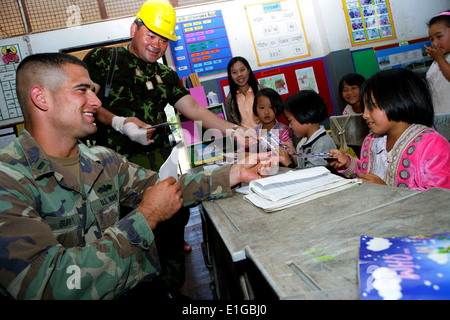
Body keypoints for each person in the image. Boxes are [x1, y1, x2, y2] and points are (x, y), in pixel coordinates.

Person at [0, 52, 279, 300]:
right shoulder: (8, 181)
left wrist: (234, 173)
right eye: (82, 90)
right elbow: (45, 284)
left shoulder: (103, 160)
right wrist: (145, 218)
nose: (96, 101)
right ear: (41, 98)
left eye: (94, 90)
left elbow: (166, 188)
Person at [83, 0, 248, 296]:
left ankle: (173, 291)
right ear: (134, 29)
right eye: (151, 35)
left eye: (164, 39)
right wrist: (119, 122)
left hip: (159, 170)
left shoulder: (166, 76)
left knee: (171, 235)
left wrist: (237, 131)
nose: (157, 45)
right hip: (113, 175)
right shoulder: (103, 61)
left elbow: (196, 111)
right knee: (128, 241)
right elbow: (85, 104)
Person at [328, 68, 450, 191]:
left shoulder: (432, 145)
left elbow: (439, 198)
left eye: (371, 107)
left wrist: (388, 191)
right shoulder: (372, 141)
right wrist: (348, 163)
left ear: (399, 102)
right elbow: (368, 174)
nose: (364, 115)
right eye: (365, 107)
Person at [278, 90, 336, 169]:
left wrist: (289, 163)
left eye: (290, 121)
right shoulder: (303, 141)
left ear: (304, 116)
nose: (290, 126)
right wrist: (294, 154)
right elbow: (302, 165)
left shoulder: (322, 144)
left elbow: (312, 175)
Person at [425, 10, 450, 114]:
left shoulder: (440, 58)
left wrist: (440, 59)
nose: (434, 43)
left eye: (439, 36)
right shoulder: (440, 57)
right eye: (431, 39)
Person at [225, 56, 260, 128]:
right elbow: (232, 125)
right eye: (234, 72)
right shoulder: (230, 99)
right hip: (246, 137)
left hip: (265, 134)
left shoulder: (261, 90)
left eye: (242, 70)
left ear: (248, 70)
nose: (239, 74)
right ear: (230, 76)